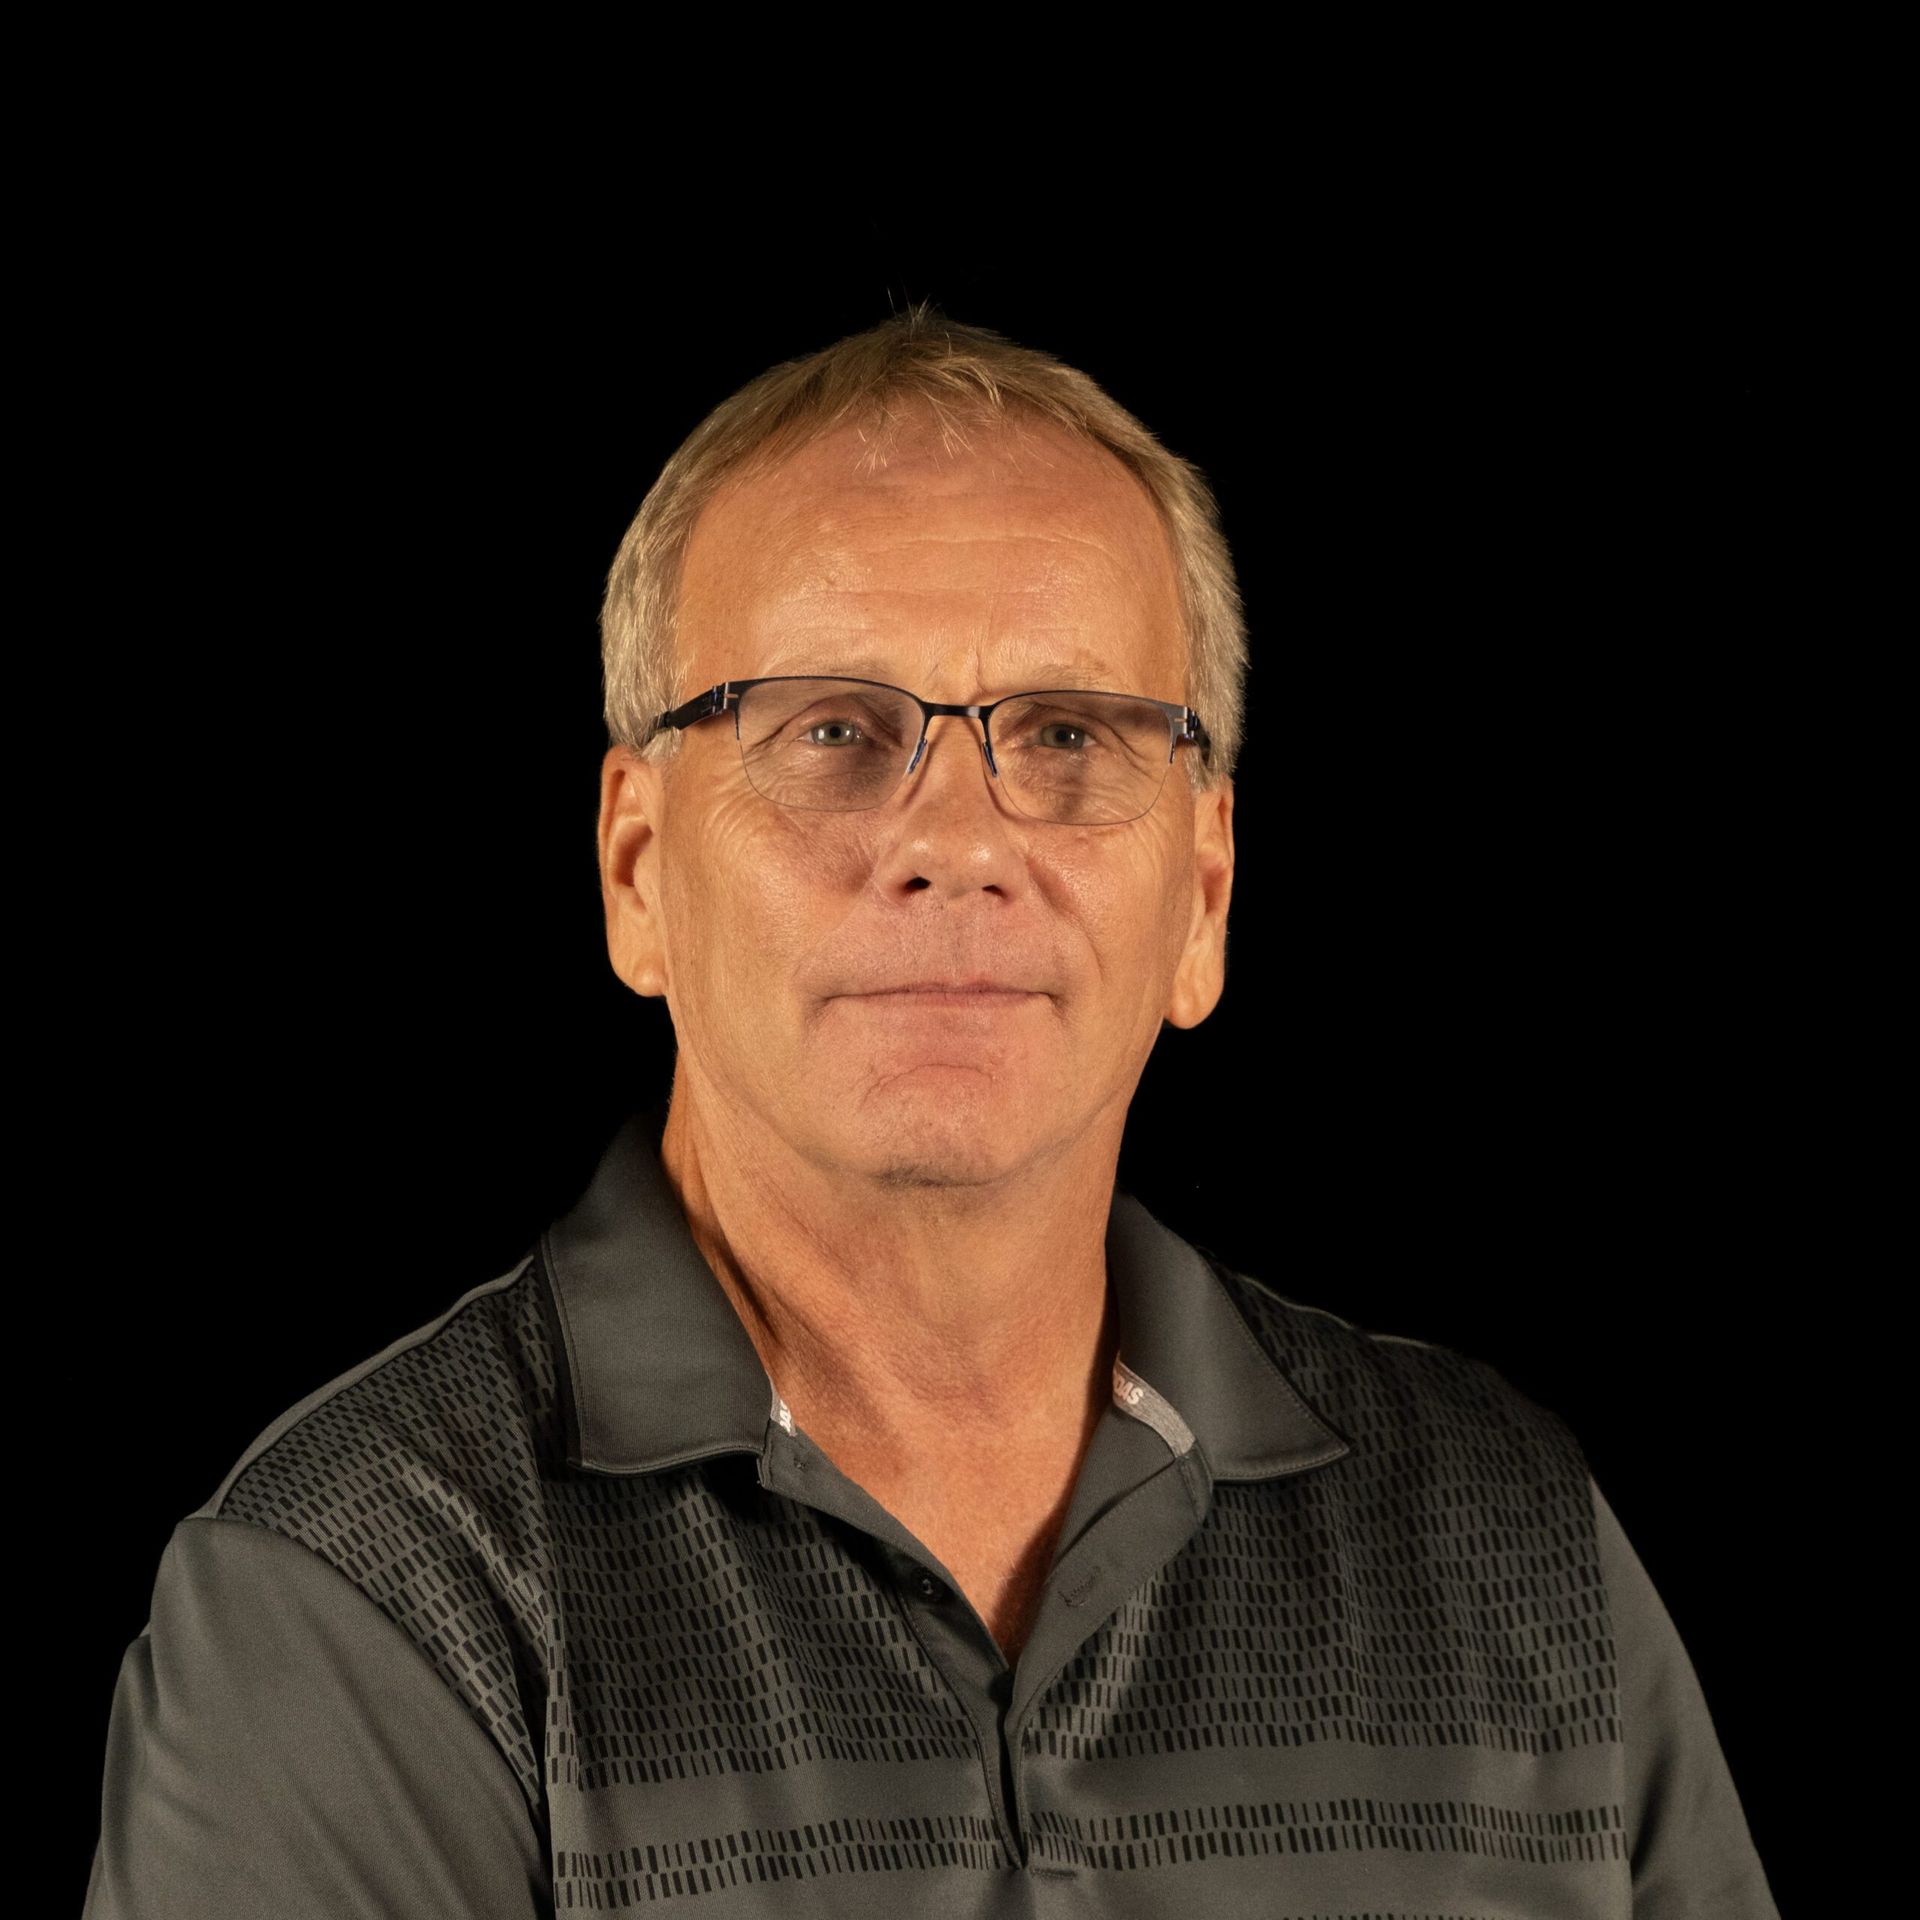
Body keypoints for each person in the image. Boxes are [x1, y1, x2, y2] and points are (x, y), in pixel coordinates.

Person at [84, 303, 1781, 1917]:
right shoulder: (366, 1592)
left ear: (1202, 897)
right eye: (834, 729)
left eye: (1065, 733)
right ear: (636, 870)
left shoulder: (1520, 1549)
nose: (959, 837)